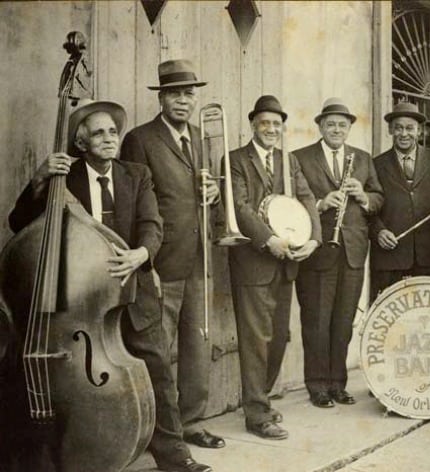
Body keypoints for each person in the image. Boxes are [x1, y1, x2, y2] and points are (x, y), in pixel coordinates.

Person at [5, 99, 212, 472]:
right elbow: (19, 223)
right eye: (98, 132)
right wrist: (39, 179)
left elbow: (153, 223)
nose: (108, 138)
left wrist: (142, 255)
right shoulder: (61, 181)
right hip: (83, 302)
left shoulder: (136, 174)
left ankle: (175, 455)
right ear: (81, 143)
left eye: (113, 131)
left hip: (134, 290)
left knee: (158, 370)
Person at [120, 60, 226, 452]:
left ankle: (191, 422)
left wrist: (213, 196)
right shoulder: (140, 139)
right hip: (160, 262)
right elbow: (134, 206)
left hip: (199, 257)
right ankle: (154, 430)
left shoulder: (201, 137)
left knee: (197, 345)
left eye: (189, 94)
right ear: (161, 98)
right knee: (157, 350)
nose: (184, 100)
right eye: (176, 93)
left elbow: (205, 195)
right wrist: (146, 260)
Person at [228, 95, 321, 440]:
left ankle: (259, 400)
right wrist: (268, 239)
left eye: (276, 124)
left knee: (279, 337)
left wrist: (313, 238)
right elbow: (239, 205)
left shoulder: (289, 162)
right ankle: (257, 414)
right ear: (253, 124)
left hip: (287, 264)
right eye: (264, 123)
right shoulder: (235, 159)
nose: (271, 129)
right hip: (254, 264)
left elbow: (307, 198)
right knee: (256, 341)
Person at [293, 98, 384, 408]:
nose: (336, 129)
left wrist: (363, 196)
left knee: (344, 321)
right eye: (330, 124)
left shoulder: (363, 158)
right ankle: (317, 385)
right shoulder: (300, 158)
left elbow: (379, 198)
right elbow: (290, 203)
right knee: (317, 320)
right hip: (318, 250)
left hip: (353, 251)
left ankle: (338, 383)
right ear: (319, 126)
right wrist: (320, 204)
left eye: (341, 125)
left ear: (349, 128)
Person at [369, 101, 430, 301]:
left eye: (409, 128)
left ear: (419, 131)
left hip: (428, 255)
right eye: (398, 128)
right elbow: (369, 207)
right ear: (390, 130)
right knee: (391, 317)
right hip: (390, 256)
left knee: (426, 316)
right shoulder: (375, 164)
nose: (404, 134)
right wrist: (379, 232)